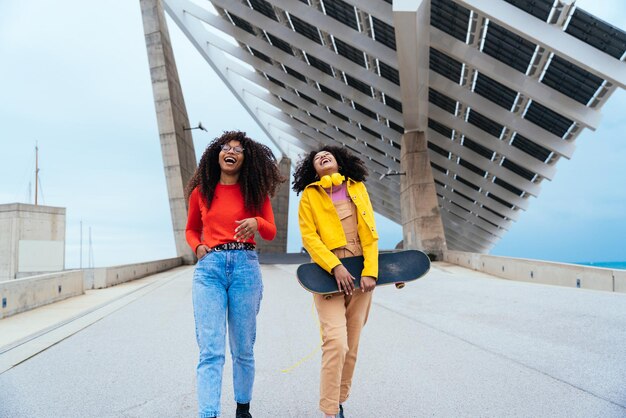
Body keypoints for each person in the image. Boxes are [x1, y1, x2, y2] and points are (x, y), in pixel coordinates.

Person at [185, 130, 284, 418]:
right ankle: (208, 413)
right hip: (210, 270)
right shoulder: (201, 192)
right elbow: (191, 228)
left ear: (245, 159)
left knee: (243, 348)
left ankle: (243, 409)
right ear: (217, 155)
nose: (231, 151)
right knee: (210, 349)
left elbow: (271, 229)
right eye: (226, 147)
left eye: (238, 149)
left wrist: (256, 221)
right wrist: (198, 246)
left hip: (245, 267)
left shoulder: (254, 192)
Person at [292, 145, 379, 418]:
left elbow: (370, 233)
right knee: (336, 342)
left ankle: (339, 401)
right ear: (313, 170)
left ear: (340, 162)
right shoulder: (310, 195)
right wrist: (335, 266)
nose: (322, 157)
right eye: (316, 159)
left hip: (361, 271)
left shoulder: (358, 188)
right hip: (327, 274)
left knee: (351, 346)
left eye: (327, 155)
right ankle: (329, 412)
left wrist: (371, 271)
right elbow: (310, 238)